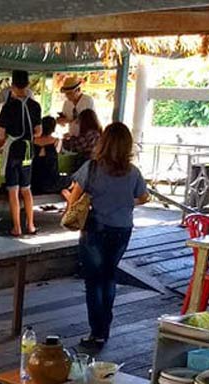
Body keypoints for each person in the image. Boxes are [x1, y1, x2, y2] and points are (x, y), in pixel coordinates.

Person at [63, 122, 149, 350]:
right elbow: (144, 197)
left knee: (93, 281)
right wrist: (125, 201)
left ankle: (96, 332)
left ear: (104, 142)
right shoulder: (133, 172)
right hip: (122, 230)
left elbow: (74, 198)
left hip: (95, 229)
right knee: (109, 277)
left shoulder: (92, 168)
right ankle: (105, 329)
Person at [0, 70, 42, 236]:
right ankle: (31, 225)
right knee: (26, 189)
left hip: (13, 151)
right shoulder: (35, 106)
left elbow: (1, 135)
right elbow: (38, 131)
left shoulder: (8, 107)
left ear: (12, 86)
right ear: (28, 84)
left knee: (13, 190)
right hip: (28, 151)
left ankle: (17, 227)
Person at [31, 116, 62, 195]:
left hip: (33, 181)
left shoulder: (32, 141)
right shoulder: (57, 141)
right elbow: (58, 152)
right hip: (51, 181)